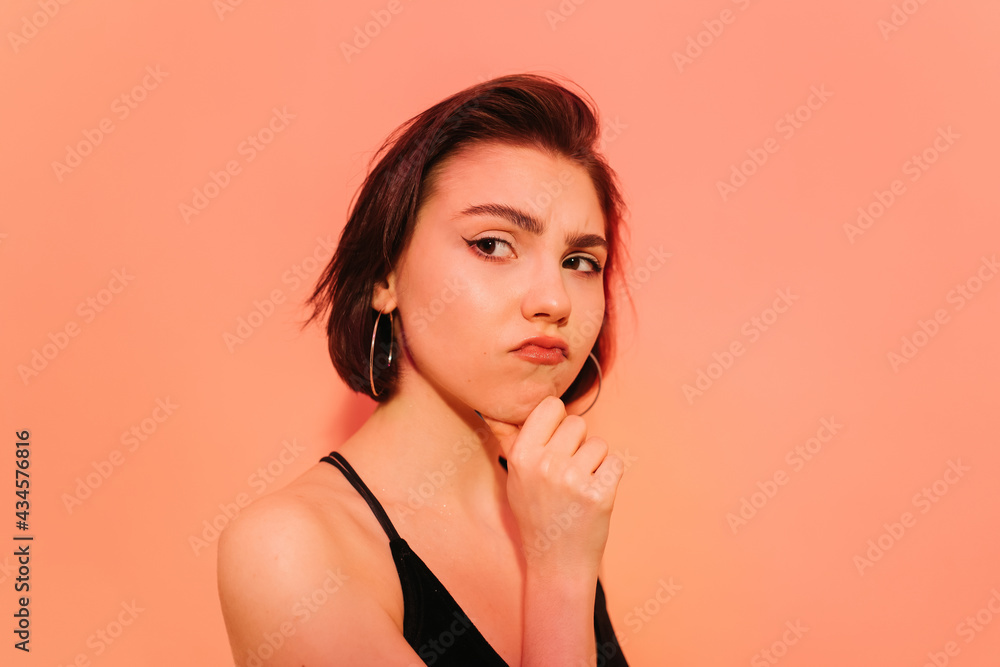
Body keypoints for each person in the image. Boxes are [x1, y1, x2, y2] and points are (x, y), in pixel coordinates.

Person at [217, 73, 633, 666]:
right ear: (385, 275)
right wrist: (561, 575)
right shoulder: (289, 550)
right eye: (492, 244)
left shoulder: (551, 506)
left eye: (579, 261)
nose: (555, 300)